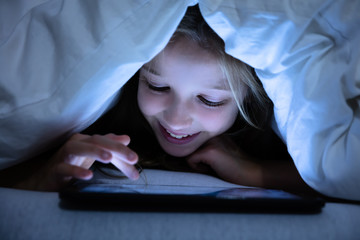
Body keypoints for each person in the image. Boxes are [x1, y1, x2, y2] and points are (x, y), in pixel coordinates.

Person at [0, 6, 312, 194]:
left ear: (249, 98)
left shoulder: (282, 143)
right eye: (157, 87)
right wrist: (47, 175)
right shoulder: (96, 124)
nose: (176, 120)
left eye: (209, 100)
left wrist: (256, 172)